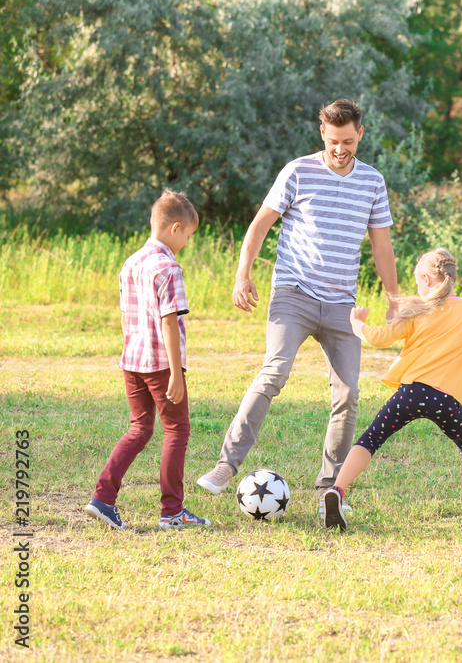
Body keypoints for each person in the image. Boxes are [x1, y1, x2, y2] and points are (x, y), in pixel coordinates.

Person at [196, 99, 399, 516]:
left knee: (348, 394)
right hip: (294, 292)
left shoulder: (373, 182)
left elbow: (382, 246)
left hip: (342, 303)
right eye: (333, 140)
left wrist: (395, 300)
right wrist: (242, 275)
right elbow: (259, 226)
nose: (340, 148)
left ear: (360, 133)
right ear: (321, 133)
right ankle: (225, 466)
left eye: (348, 140)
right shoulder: (297, 171)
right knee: (275, 371)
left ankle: (331, 489)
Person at [322, 248, 462, 531]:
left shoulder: (417, 309)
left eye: (417, 282)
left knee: (371, 438)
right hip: (447, 401)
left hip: (410, 394)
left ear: (425, 278)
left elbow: (380, 338)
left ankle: (336, 491)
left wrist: (358, 324)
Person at [84, 189, 210, 529]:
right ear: (175, 227)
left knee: (139, 428)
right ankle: (172, 511)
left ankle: (103, 498)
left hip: (132, 360)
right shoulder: (168, 267)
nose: (187, 241)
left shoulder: (131, 262)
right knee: (177, 431)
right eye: (188, 234)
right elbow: (169, 322)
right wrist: (175, 373)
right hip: (160, 364)